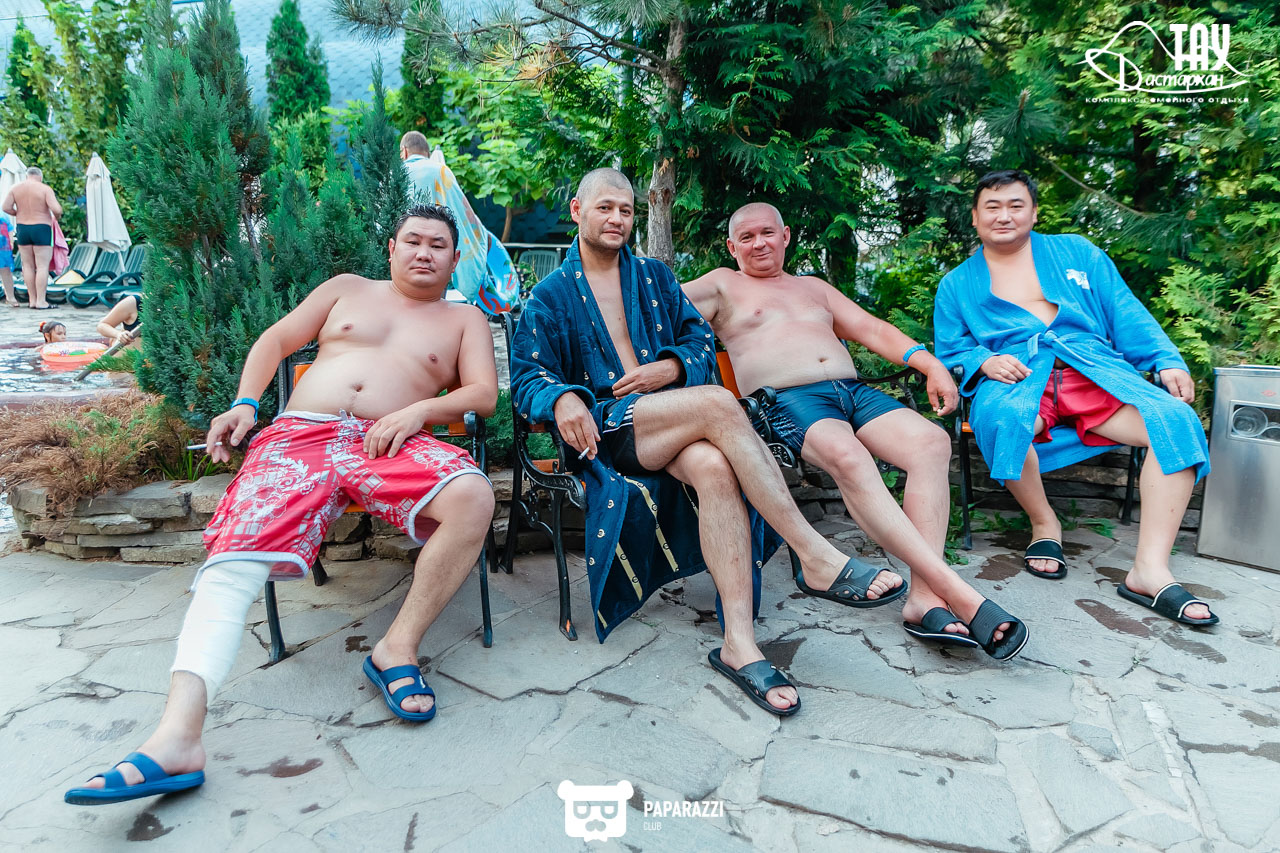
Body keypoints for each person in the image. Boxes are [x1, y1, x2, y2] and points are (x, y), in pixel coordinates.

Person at [64, 203, 500, 806]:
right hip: (301, 435)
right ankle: (176, 738)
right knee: (233, 556)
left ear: (454, 259)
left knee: (474, 495)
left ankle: (396, 649)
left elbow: (483, 394)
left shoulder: (463, 318)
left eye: (438, 245)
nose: (424, 252)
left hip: (390, 440)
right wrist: (245, 403)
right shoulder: (347, 289)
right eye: (413, 241)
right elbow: (276, 339)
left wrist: (418, 411)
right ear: (392, 248)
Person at [510, 168, 907, 718]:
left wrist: (670, 368)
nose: (617, 219)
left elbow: (696, 339)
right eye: (605, 208)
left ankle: (739, 644)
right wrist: (561, 400)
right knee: (720, 402)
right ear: (578, 211)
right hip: (608, 426)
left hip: (666, 420)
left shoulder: (654, 276)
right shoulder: (551, 295)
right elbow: (527, 377)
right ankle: (813, 553)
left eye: (626, 210)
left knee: (715, 468)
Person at [684, 202, 1026, 660]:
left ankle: (924, 597)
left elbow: (871, 329)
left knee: (930, 442)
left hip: (853, 392)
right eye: (746, 238)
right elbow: (654, 303)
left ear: (786, 236)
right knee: (849, 456)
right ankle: (957, 591)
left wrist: (929, 364)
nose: (759, 243)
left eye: (767, 233)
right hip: (788, 400)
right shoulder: (721, 284)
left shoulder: (813, 288)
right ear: (732, 247)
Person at [933, 169, 1216, 627]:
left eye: (1015, 205)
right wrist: (983, 361)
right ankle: (1044, 523)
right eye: (992, 207)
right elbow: (951, 348)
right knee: (1005, 421)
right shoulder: (956, 284)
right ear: (975, 217)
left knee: (1173, 419)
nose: (1004, 215)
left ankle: (1149, 570)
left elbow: (1125, 311)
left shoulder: (1077, 252)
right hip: (1018, 377)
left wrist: (1166, 359)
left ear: (1034, 212)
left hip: (1092, 372)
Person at [1, 166, 63, 310]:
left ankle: (32, 300)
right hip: (41, 227)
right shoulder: (44, 189)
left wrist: (18, 213)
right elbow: (57, 209)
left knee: (27, 265)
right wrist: (56, 217)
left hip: (23, 227)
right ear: (40, 176)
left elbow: (5, 207)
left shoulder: (15, 188)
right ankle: (41, 301)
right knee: (42, 266)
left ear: (27, 175)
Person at [0, 210, 17, 307]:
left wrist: (11, 242)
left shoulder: (2, 214)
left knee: (6, 271)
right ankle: (10, 297)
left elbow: (9, 227)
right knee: (5, 271)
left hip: (3, 246)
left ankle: (10, 297)